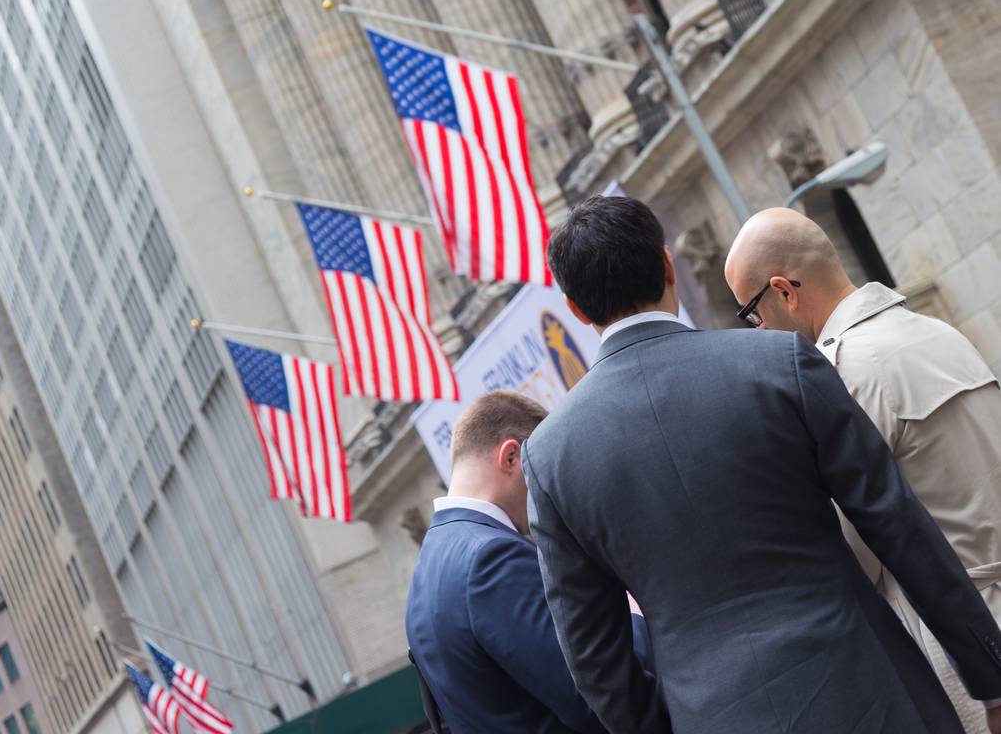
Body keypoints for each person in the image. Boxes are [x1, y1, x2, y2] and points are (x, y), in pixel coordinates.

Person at [523, 192, 1001, 734]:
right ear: (666, 265)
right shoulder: (782, 364)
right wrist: (989, 676)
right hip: (873, 693)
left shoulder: (549, 457)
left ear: (577, 310)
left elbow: (593, 656)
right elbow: (900, 527)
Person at [725, 206, 1001, 732]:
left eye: (750, 313)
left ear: (784, 291)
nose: (757, 332)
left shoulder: (841, 375)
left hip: (968, 636)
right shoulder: (930, 329)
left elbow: (856, 552)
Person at [405, 389, 662, 734]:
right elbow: (595, 697)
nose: (549, 486)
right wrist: (632, 609)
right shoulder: (491, 558)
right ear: (510, 457)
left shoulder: (429, 568)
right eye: (541, 466)